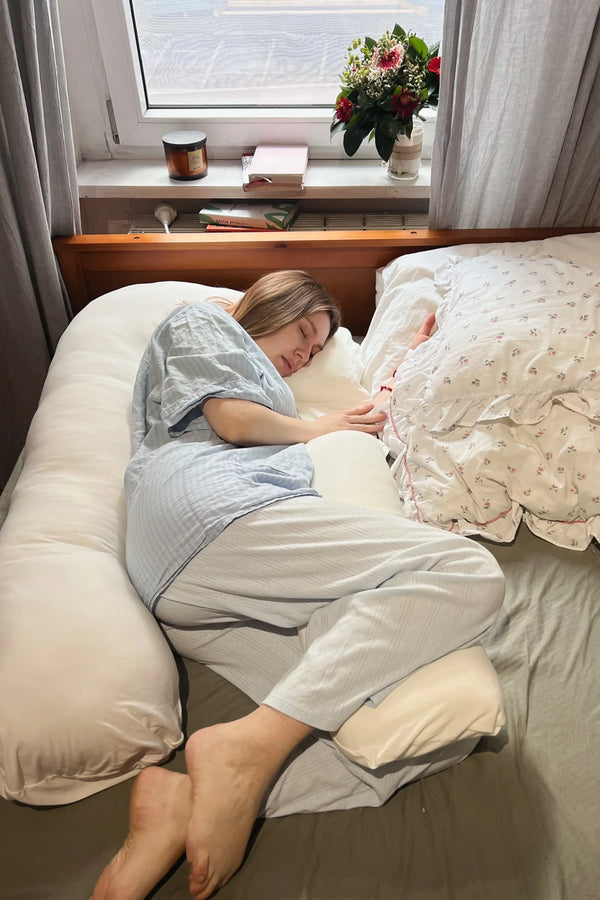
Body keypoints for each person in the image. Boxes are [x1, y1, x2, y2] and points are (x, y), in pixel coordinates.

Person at [91, 271, 504, 900]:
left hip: (192, 589)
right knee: (466, 570)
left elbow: (362, 414)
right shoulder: (204, 320)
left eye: (315, 350)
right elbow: (231, 420)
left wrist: (410, 360)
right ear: (270, 304)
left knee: (420, 738)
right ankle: (248, 746)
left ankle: (183, 801)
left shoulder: (281, 398)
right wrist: (323, 428)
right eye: (303, 331)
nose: (304, 353)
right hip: (210, 513)